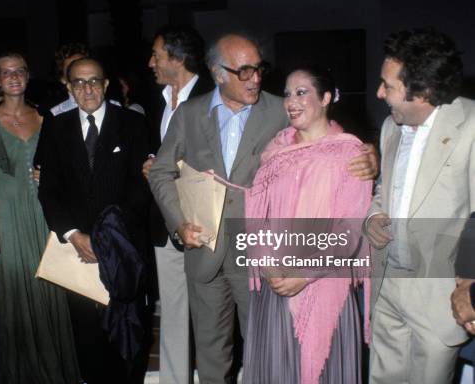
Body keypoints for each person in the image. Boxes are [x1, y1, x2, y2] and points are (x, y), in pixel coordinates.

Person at [148, 33, 378, 383]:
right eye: (243, 71)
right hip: (204, 250)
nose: (255, 78)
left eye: (258, 68)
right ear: (217, 72)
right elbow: (162, 172)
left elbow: (324, 137)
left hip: (260, 259)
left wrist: (370, 154)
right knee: (210, 353)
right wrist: (178, 224)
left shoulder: (281, 109)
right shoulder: (190, 115)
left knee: (266, 354)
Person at [242, 66, 372, 384]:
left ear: (326, 98)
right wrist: (270, 266)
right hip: (275, 286)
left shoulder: (349, 153)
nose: (291, 101)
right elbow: (260, 215)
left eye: (302, 92)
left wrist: (303, 275)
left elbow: (351, 229)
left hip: (323, 283)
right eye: (287, 93)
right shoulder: (276, 150)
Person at [364, 28, 475, 384]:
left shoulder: (471, 126)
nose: (379, 93)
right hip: (388, 284)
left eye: (388, 86)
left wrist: (469, 285)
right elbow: (384, 189)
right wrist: (372, 216)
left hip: (439, 293)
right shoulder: (390, 127)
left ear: (423, 92)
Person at [38, 57, 150, 384]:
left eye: (93, 81)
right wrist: (74, 234)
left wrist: (107, 238)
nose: (87, 89)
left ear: (106, 84)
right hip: (77, 251)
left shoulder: (133, 123)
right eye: (79, 83)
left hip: (123, 249)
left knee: (128, 335)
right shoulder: (56, 127)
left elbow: (141, 187)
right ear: (69, 88)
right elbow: (49, 190)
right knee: (87, 337)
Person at [0, 52, 80, 383]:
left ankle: (55, 373)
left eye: (19, 71)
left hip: (43, 215)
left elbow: (64, 165)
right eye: (5, 72)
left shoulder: (46, 118)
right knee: (14, 293)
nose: (13, 77)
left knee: (50, 287)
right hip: (6, 221)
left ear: (28, 76)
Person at [143, 24, 213, 384]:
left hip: (205, 222)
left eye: (157, 55)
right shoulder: (155, 100)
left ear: (177, 58)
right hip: (166, 221)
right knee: (172, 310)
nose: (151, 62)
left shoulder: (213, 95)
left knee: (213, 313)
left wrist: (177, 168)